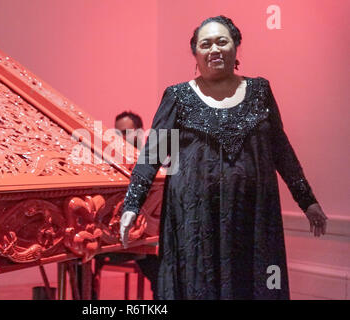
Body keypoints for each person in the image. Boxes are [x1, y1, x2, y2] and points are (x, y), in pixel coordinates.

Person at [120, 15, 328, 300]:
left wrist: (307, 200)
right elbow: (152, 154)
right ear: (195, 53)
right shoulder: (177, 96)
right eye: (205, 44)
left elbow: (280, 148)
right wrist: (132, 204)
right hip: (194, 221)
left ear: (236, 46)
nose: (214, 49)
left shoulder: (260, 91)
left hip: (251, 217)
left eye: (222, 41)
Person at [92, 111, 159, 299]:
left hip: (142, 236)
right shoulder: (107, 161)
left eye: (126, 132)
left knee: (163, 271)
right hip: (111, 235)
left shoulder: (154, 160)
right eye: (117, 132)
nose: (120, 138)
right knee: (79, 259)